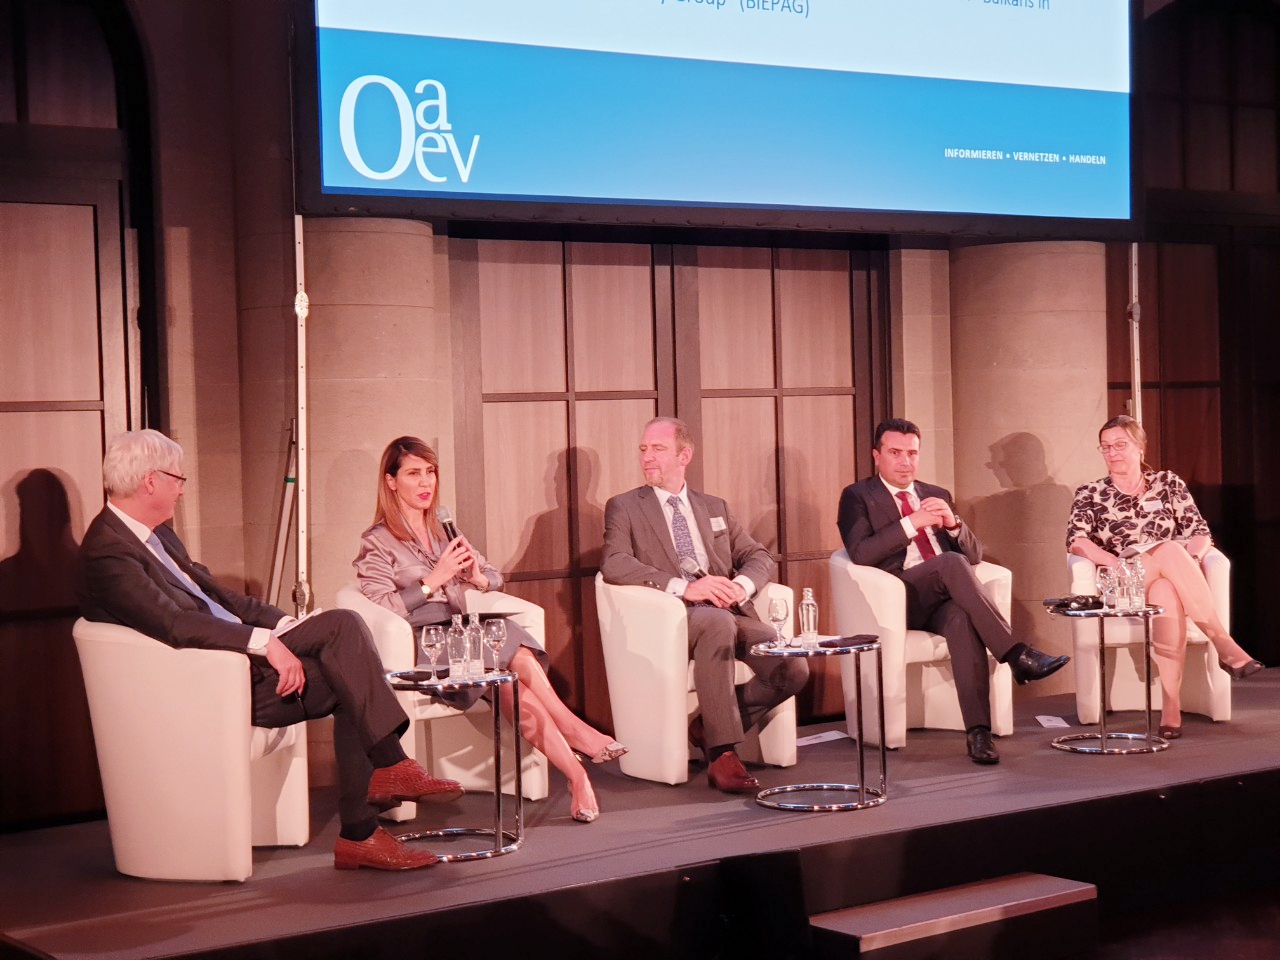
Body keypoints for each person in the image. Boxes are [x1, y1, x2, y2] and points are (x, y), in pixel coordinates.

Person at [76, 430, 458, 872]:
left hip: (240, 667)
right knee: (343, 628)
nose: (182, 489)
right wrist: (265, 644)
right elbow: (175, 624)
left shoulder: (157, 535)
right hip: (208, 682)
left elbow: (222, 599)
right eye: (178, 479)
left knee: (346, 665)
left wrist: (284, 627)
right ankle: (388, 774)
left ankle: (362, 834)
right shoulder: (108, 553)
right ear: (150, 481)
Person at [353, 437, 626, 824]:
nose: (425, 481)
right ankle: (575, 733)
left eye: (430, 472)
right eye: (414, 473)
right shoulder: (376, 542)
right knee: (505, 650)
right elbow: (381, 609)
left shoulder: (445, 530)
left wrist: (479, 579)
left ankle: (577, 776)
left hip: (465, 636)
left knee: (511, 670)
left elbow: (494, 575)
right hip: (424, 645)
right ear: (391, 481)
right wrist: (432, 582)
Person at [837, 418, 1070, 765]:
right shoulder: (857, 496)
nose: (905, 462)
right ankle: (1017, 654)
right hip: (898, 597)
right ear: (877, 456)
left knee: (962, 617)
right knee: (949, 564)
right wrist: (909, 524)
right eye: (895, 453)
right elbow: (860, 553)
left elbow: (973, 555)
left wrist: (954, 524)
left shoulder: (936, 494)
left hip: (944, 597)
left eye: (912, 454)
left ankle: (979, 733)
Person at [600, 417, 809, 794]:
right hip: (672, 617)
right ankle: (722, 753)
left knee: (791, 666)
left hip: (727, 613)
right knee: (715, 623)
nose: (647, 458)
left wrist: (739, 586)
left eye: (658, 449)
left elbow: (758, 555)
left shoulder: (714, 506)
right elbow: (614, 562)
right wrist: (684, 588)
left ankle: (706, 725)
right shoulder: (625, 506)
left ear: (685, 455)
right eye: (644, 449)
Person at [1066, 415, 1263, 739]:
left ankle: (1170, 708)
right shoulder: (1090, 492)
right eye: (1105, 447)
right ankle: (1224, 644)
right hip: (1122, 580)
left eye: (1120, 445)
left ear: (1140, 447)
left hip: (1164, 576)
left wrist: (1192, 558)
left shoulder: (1168, 484)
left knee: (1166, 589)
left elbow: (1199, 533)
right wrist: (1112, 562)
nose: (1112, 453)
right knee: (1170, 549)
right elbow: (1077, 539)